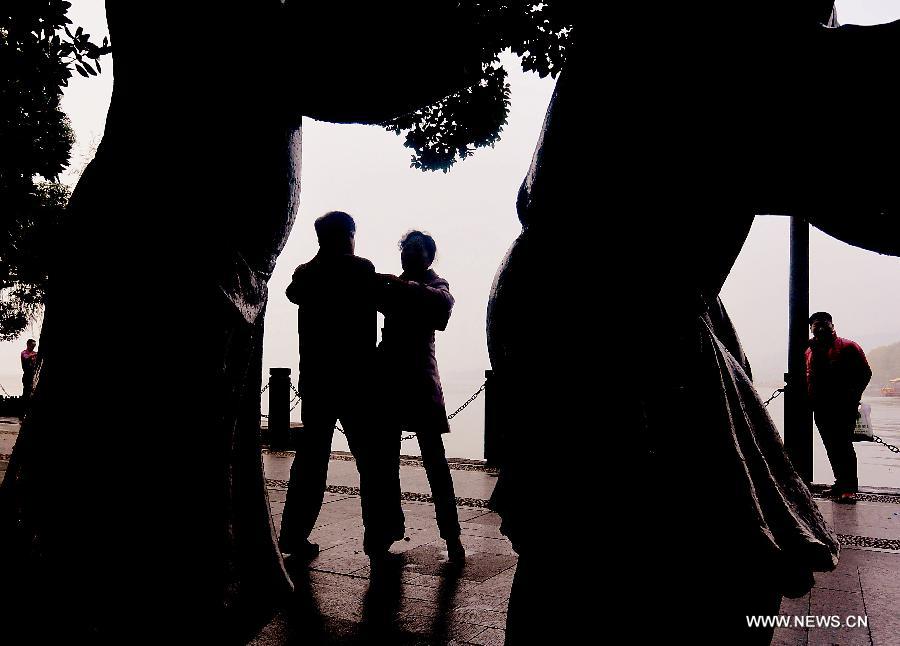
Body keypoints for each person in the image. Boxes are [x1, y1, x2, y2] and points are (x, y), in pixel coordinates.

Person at [278, 211, 386, 563]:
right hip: (358, 381)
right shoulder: (361, 269)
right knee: (371, 462)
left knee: (310, 463)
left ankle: (293, 535)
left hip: (317, 381)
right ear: (349, 235)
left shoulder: (305, 275)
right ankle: (377, 537)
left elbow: (294, 293)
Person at [377, 230, 465, 563]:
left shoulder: (436, 288)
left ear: (428, 256)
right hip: (396, 382)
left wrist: (396, 286)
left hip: (419, 383)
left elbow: (441, 309)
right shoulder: (401, 286)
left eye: (413, 252)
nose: (408, 258)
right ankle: (389, 530)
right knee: (391, 464)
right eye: (405, 252)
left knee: (435, 464)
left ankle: (452, 535)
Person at [806, 311, 872, 504]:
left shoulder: (848, 347)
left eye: (824, 323)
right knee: (831, 447)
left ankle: (849, 489)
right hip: (820, 407)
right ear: (811, 328)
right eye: (815, 324)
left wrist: (852, 397)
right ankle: (840, 483)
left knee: (843, 446)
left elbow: (865, 373)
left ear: (832, 326)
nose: (819, 327)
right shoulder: (809, 351)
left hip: (843, 407)